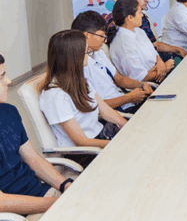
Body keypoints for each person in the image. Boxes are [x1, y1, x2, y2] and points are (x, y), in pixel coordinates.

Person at [0, 53, 74, 221]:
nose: (8, 81)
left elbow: (32, 158)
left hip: (38, 196)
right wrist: (51, 204)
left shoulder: (8, 111)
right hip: (11, 220)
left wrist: (65, 185)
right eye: (1, 77)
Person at [40, 30, 128, 168]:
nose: (89, 55)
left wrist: (129, 128)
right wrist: (116, 144)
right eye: (87, 52)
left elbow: (105, 111)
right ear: (74, 57)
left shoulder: (81, 80)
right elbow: (81, 141)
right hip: (86, 153)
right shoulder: (56, 96)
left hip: (101, 138)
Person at [71, 10, 153, 114]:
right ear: (87, 35)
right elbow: (95, 106)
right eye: (101, 36)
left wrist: (141, 85)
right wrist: (129, 98)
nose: (105, 40)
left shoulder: (99, 53)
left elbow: (120, 79)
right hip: (114, 112)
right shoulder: (80, 64)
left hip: (125, 104)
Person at [107, 0, 174, 82]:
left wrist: (161, 64)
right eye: (139, 12)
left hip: (158, 71)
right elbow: (139, 77)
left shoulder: (138, 30)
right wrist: (165, 69)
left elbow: (154, 53)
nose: (142, 15)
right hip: (149, 83)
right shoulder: (123, 44)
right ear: (130, 18)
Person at [122, 0, 186, 63]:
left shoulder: (143, 17)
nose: (147, 0)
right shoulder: (121, 23)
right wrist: (161, 66)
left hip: (158, 58)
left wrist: (178, 49)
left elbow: (155, 44)